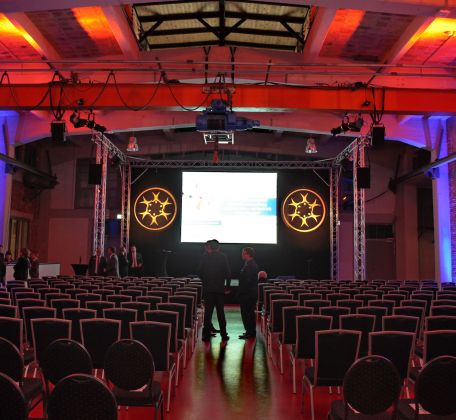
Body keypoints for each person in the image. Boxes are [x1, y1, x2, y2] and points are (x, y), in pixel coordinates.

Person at [198, 239, 231, 342]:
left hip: (208, 290)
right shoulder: (223, 257)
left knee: (208, 314)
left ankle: (206, 335)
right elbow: (228, 273)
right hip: (219, 290)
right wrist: (227, 287)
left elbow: (199, 271)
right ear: (218, 247)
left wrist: (205, 281)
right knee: (221, 313)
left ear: (210, 247)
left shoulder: (205, 257)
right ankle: (224, 335)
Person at [238, 247, 259, 339]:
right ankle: (249, 331)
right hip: (247, 293)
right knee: (247, 314)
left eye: (244, 253)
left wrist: (242, 292)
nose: (242, 254)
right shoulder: (248, 264)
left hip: (248, 294)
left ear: (248, 254)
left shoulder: (251, 265)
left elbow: (248, 281)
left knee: (248, 314)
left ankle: (250, 332)